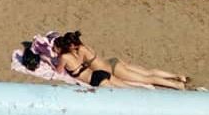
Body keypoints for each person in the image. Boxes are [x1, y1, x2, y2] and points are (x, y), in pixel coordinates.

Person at [52, 31, 186, 89]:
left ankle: (176, 85)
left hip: (113, 69)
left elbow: (78, 65)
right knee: (148, 72)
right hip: (112, 63)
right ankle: (177, 76)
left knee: (147, 79)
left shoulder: (80, 51)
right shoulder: (84, 46)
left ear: (72, 45)